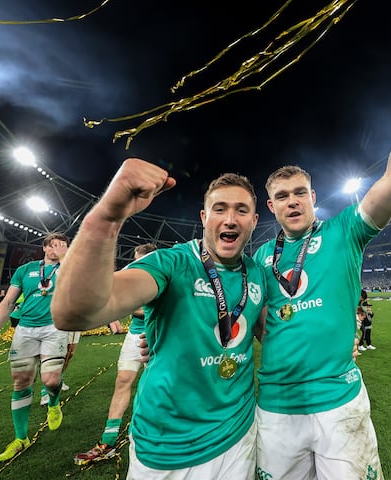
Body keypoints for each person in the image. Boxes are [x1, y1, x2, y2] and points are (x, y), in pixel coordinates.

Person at [253, 24, 391, 480]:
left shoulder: (345, 231)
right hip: (276, 406)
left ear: (312, 195)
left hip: (339, 404)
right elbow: (258, 320)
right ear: (271, 205)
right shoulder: (259, 259)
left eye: (300, 192)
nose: (292, 201)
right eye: (282, 195)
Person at [52, 162, 265, 479]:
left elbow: (273, 337)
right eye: (219, 209)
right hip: (166, 444)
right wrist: (108, 218)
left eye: (241, 210)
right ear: (204, 218)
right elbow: (74, 313)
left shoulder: (257, 272)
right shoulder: (172, 262)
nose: (230, 219)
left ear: (255, 220)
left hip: (237, 436)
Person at [0, 233, 71, 463]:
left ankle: (53, 402)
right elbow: (8, 302)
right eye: (53, 245)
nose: (58, 249)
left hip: (55, 327)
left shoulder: (71, 267)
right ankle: (21, 438)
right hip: (25, 329)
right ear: (44, 248)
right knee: (21, 382)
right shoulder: (26, 270)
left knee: (51, 380)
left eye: (63, 245)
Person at [72, 242, 158, 465]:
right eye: (135, 260)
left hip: (159, 336)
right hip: (135, 335)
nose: (136, 264)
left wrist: (127, 305)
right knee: (122, 381)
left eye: (140, 260)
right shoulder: (130, 271)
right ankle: (107, 442)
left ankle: (170, 435)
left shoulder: (162, 271)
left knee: (160, 386)